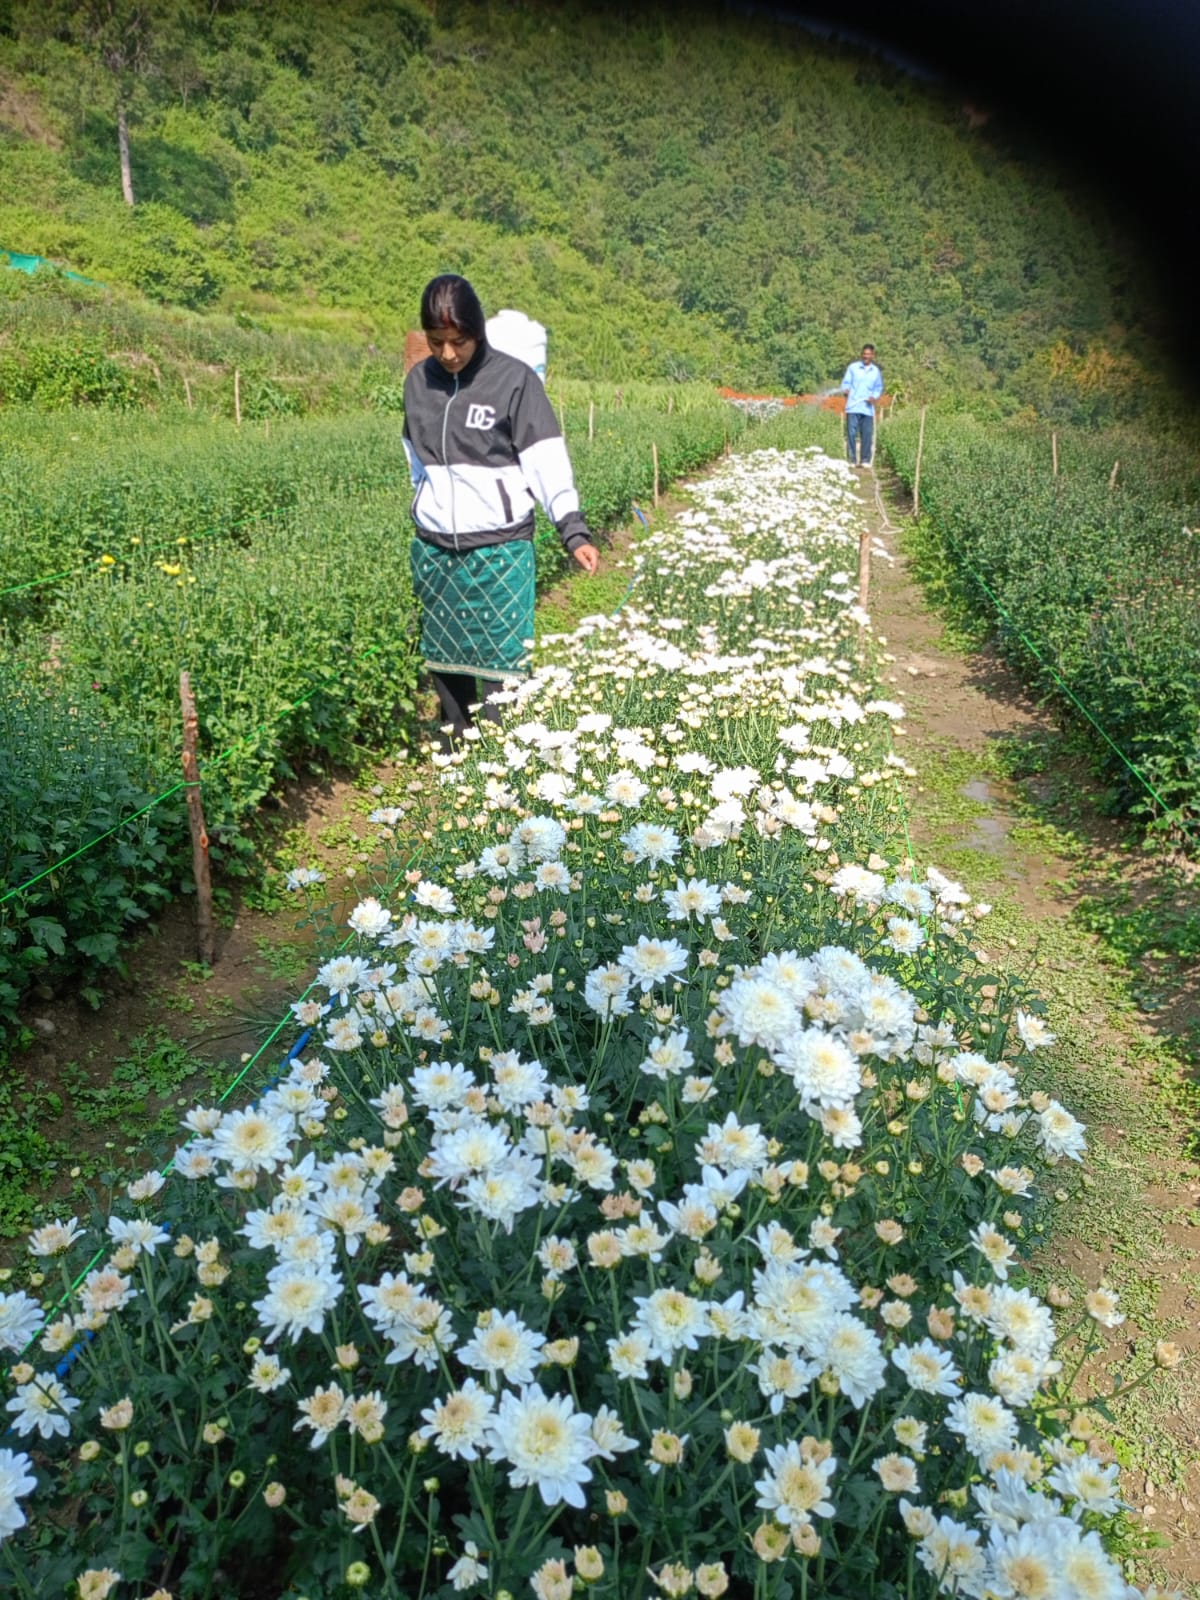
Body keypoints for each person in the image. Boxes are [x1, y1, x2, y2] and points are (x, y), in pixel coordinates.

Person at [402, 275, 600, 741]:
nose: (448, 354)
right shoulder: (418, 384)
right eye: (437, 342)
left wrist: (573, 530)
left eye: (459, 341)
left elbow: (546, 461)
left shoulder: (513, 382)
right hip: (437, 552)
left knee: (501, 673)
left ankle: (503, 769)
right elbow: (415, 462)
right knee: (446, 661)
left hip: (499, 550)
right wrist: (426, 508)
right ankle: (455, 758)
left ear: (478, 332)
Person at [841, 343, 884, 467]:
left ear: (873, 356)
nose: (866, 356)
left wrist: (874, 397)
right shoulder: (853, 367)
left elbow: (878, 388)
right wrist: (846, 389)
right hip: (853, 406)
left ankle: (865, 460)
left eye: (869, 354)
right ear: (862, 354)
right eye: (864, 354)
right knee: (851, 434)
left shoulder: (875, 371)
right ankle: (852, 460)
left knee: (866, 434)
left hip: (867, 408)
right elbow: (846, 383)